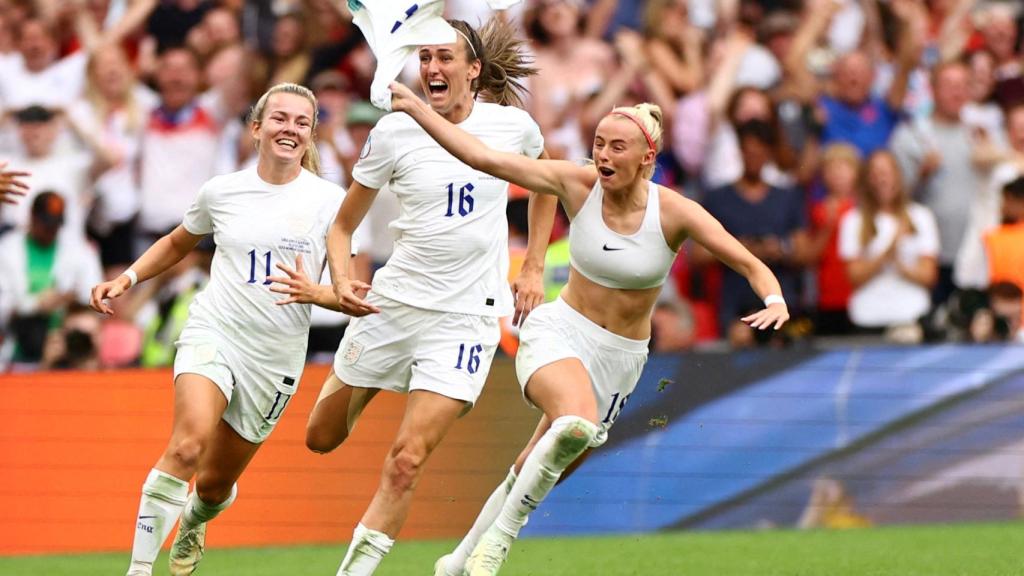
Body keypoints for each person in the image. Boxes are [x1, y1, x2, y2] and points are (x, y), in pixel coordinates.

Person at [388, 82, 790, 575]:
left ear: (647, 156)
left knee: (538, 466)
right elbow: (483, 158)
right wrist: (416, 110)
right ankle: (494, 551)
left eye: (616, 146)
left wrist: (774, 300)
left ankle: (455, 563)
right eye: (598, 142)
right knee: (574, 422)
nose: (602, 154)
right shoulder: (577, 183)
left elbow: (749, 263)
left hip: (620, 360)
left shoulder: (675, 212)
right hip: (559, 330)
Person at [304, 18, 558, 576]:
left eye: (445, 58)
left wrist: (534, 264)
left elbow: (548, 186)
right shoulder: (394, 133)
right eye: (425, 58)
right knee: (320, 438)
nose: (432, 69)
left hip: (464, 320)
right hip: (391, 306)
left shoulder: (512, 127)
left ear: (473, 70)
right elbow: (344, 227)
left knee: (405, 460)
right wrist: (342, 279)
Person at [89, 83, 349, 576]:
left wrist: (317, 294)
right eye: (279, 118)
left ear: (312, 136)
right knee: (186, 445)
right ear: (256, 128)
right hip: (216, 330)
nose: (289, 129)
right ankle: (139, 570)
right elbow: (177, 242)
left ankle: (195, 518)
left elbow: (349, 291)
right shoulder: (221, 191)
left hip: (275, 357)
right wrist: (127, 277)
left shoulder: (331, 202)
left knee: (211, 486)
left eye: (301, 122)